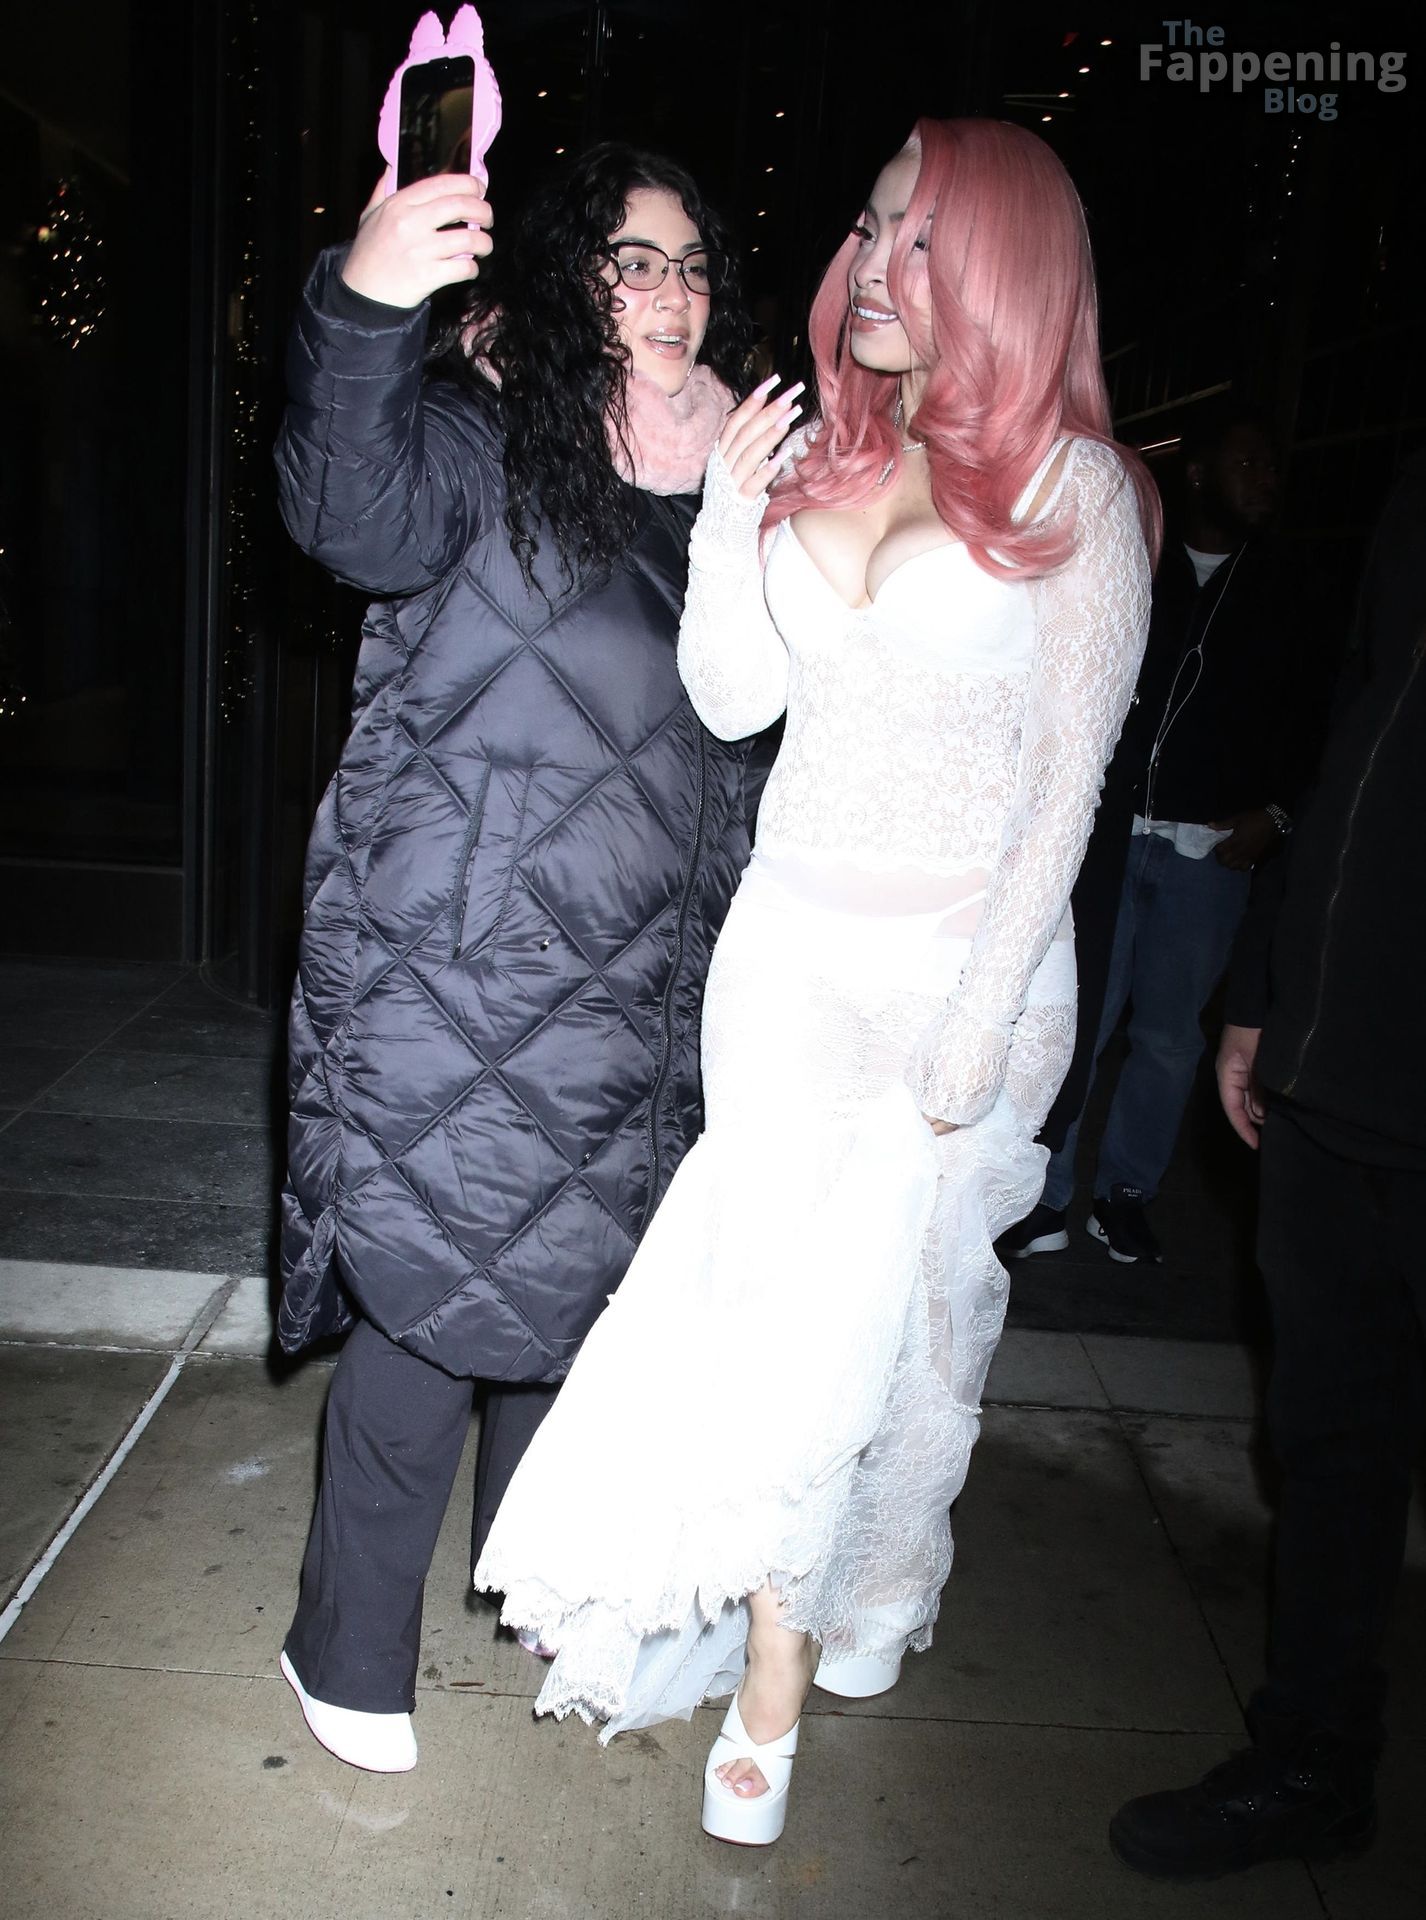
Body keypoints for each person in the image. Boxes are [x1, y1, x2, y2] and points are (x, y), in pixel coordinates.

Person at [475, 117, 1158, 1844]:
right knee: (782, 1318)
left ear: (1000, 270)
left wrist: (981, 1014)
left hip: (962, 973)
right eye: (868, 225)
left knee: (916, 1337)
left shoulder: (1079, 496)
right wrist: (727, 519)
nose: (870, 262)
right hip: (783, 954)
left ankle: (872, 1585)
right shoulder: (823, 453)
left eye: (918, 238)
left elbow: (1064, 792)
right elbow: (731, 702)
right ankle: (767, 1676)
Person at [272, 143, 758, 1773]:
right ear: (565, 280)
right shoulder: (486, 435)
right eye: (630, 262)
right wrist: (367, 308)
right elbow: (346, 507)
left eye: (689, 264)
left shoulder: (733, 480)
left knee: (584, 1295)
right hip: (469, 963)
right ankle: (342, 1649)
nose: (670, 295)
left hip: (651, 982)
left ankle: (535, 1569)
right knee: (440, 1300)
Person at [1110, 447, 1426, 1879]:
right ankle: (1311, 1763)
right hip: (1330, 1067)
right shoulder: (1409, 494)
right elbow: (1352, 734)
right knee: (1331, 1447)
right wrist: (1259, 986)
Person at [1003, 403, 1332, 1265]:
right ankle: (1043, 1193)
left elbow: (1319, 721)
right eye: (1248, 463)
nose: (1266, 481)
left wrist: (1279, 814)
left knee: (1169, 1037)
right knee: (1078, 1016)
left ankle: (1125, 1195)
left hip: (1209, 853)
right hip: (1111, 837)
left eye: (1272, 468)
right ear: (1197, 472)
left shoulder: (1290, 586)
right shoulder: (1140, 559)